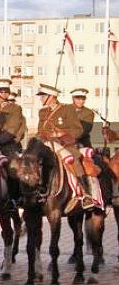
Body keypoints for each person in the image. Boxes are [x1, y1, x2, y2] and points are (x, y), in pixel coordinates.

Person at [35, 84, 94, 213]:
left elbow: (77, 130)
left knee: (74, 159)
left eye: (43, 96)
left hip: (63, 144)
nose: (41, 99)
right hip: (46, 145)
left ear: (52, 97)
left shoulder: (67, 109)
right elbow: (40, 130)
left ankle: (85, 193)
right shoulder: (43, 112)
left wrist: (60, 134)